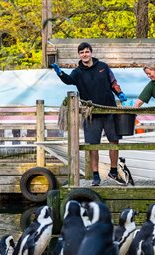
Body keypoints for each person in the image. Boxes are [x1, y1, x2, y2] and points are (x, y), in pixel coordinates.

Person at [51, 42, 127, 186]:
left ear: (91, 52)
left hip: (109, 109)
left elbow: (113, 82)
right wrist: (59, 73)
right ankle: (96, 176)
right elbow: (69, 81)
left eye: (86, 52)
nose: (84, 54)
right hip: (91, 113)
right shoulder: (78, 72)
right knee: (93, 145)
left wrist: (120, 93)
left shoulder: (103, 67)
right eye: (81, 52)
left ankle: (113, 171)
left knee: (114, 141)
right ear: (79, 55)